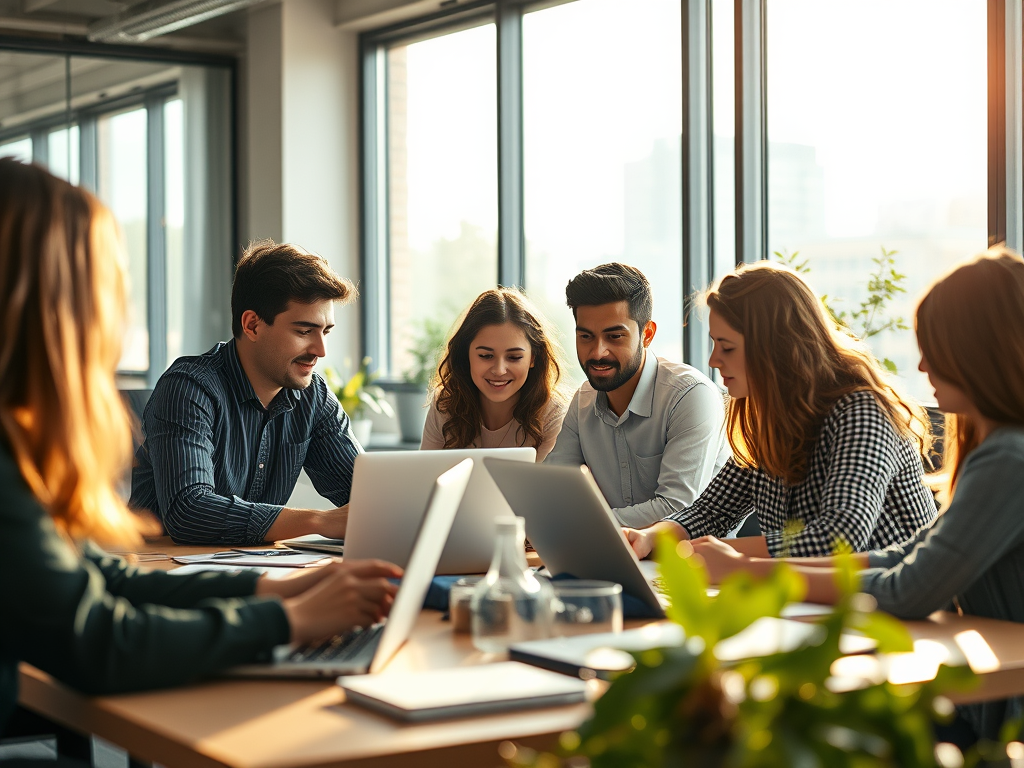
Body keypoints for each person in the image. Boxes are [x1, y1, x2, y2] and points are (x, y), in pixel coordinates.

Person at [0, 158, 402, 742]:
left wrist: (275, 588)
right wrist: (288, 616)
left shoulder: (17, 443)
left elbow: (102, 575)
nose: (115, 316)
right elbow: (100, 636)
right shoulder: (188, 386)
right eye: (104, 290)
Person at [686, 247, 1024, 742]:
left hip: (986, 705)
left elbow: (903, 587)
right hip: (961, 673)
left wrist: (746, 570)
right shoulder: (996, 452)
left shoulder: (1007, 460)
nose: (924, 364)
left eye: (937, 347)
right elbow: (899, 557)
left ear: (977, 351)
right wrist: (741, 568)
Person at [625, 261, 936, 560]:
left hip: (893, 607)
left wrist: (731, 556)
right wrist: (652, 536)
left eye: (727, 346)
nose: (713, 360)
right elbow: (713, 510)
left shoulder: (863, 411)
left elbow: (840, 537)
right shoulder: (769, 417)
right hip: (815, 600)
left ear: (775, 347)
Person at [130, 240, 363, 545]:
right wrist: (320, 521)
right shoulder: (188, 388)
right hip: (164, 570)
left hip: (255, 568)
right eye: (304, 331)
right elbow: (189, 510)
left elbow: (366, 498)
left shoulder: (313, 398)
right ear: (252, 325)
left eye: (326, 331)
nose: (320, 350)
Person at [544, 263, 730, 528]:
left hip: (689, 563)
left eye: (615, 336)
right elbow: (553, 490)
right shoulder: (583, 400)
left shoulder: (690, 396)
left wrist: (582, 525)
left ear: (647, 334)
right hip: (605, 558)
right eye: (586, 336)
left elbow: (677, 508)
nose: (598, 352)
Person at [420, 287, 567, 461]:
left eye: (514, 357)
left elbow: (543, 487)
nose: (499, 370)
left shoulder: (553, 414)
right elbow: (425, 479)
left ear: (533, 358)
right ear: (466, 355)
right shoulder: (445, 405)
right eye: (486, 356)